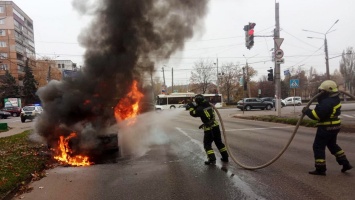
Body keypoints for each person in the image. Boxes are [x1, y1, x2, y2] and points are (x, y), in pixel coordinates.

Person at [302, 80, 352, 175]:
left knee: (318, 146)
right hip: (335, 126)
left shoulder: (326, 102)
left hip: (326, 127)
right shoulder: (335, 99)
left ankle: (320, 168)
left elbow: (317, 115)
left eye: (321, 91)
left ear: (325, 92)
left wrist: (307, 111)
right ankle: (345, 163)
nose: (319, 93)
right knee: (332, 145)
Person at [188, 94, 229, 165]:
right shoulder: (209, 105)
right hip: (216, 126)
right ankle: (225, 157)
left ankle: (212, 159)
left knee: (207, 145)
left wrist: (191, 107)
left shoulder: (200, 109)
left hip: (209, 129)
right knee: (219, 143)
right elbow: (201, 108)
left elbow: (193, 113)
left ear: (198, 101)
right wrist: (196, 106)